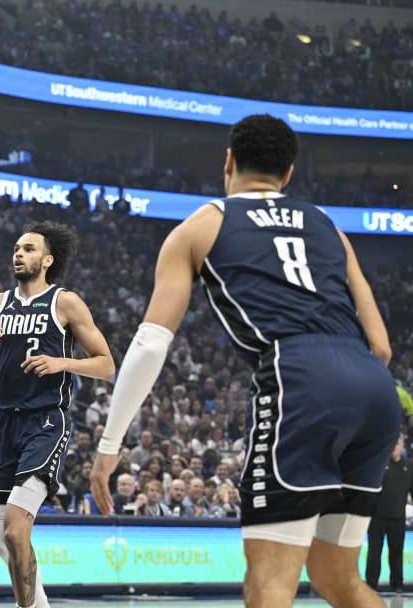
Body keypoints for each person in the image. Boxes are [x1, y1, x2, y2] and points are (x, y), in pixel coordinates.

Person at [90, 114, 400, 608]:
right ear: (289, 174)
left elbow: (150, 343)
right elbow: (381, 345)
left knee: (268, 585)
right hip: (374, 391)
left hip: (301, 381)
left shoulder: (202, 225)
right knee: (336, 578)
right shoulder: (327, 226)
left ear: (229, 161)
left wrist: (110, 445)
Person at [0, 221, 115, 608]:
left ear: (47, 259)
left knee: (15, 533)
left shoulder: (65, 302)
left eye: (28, 249)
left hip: (46, 421)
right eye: (16, 248)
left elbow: (106, 364)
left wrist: (62, 362)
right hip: (4, 424)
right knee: (4, 542)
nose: (19, 253)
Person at [365, 435, 413, 593]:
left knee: (396, 554)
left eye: (397, 443)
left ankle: (397, 584)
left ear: (402, 446)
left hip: (398, 518)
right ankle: (371, 585)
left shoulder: (409, 466)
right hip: (377, 517)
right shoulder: (379, 464)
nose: (394, 446)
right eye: (392, 443)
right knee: (374, 553)